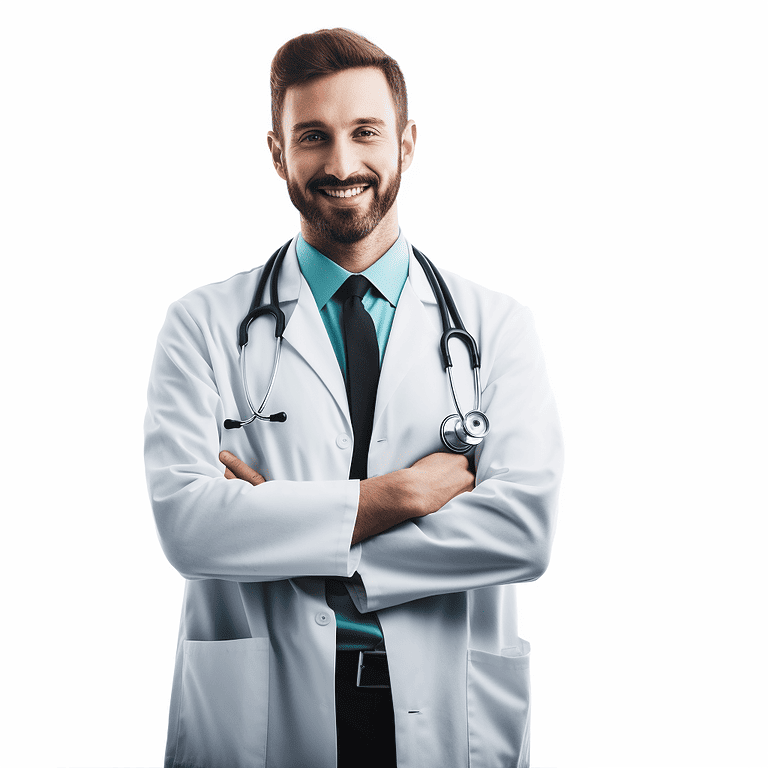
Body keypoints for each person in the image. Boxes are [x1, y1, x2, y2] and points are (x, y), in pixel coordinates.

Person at [144, 27, 563, 768]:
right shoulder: (203, 325)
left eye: (365, 131)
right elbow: (190, 525)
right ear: (278, 152)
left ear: (406, 142)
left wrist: (290, 525)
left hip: (446, 712)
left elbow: (523, 529)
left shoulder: (496, 327)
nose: (342, 164)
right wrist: (397, 497)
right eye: (312, 136)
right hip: (263, 717)